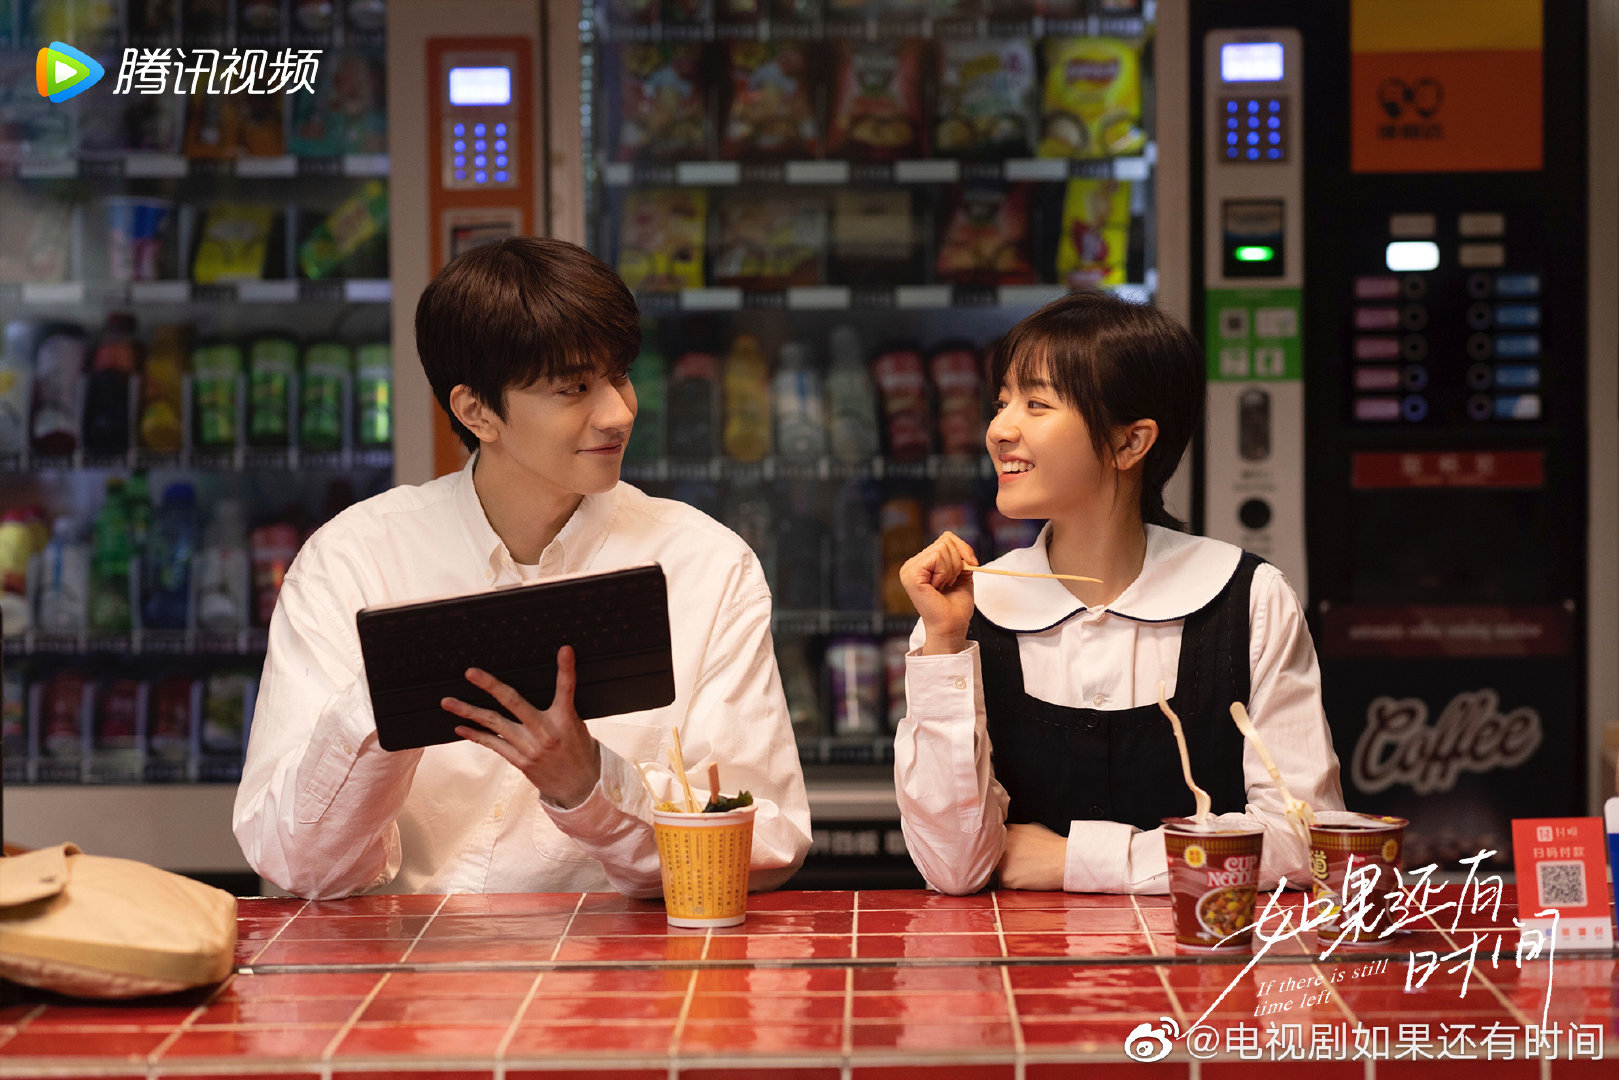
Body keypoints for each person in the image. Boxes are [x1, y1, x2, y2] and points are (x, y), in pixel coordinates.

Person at [234, 237, 812, 899]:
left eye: (619, 375)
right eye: (574, 388)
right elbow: (296, 868)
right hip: (406, 959)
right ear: (476, 411)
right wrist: (387, 695)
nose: (619, 412)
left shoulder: (706, 565)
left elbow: (770, 844)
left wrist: (590, 785)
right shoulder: (351, 562)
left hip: (624, 959)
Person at [894, 291, 1343, 895]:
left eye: (1036, 403)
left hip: (1207, 956)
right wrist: (944, 646)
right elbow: (953, 868)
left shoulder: (1250, 600)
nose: (999, 429)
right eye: (1002, 403)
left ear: (1131, 443)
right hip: (1021, 959)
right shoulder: (964, 612)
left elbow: (1306, 841)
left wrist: (1075, 860)